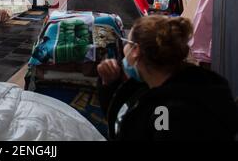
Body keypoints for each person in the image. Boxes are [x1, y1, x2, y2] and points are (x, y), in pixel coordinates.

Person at [97, 16, 238, 141]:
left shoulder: (167, 110)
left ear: (136, 51)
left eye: (127, 42)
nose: (124, 48)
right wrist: (109, 83)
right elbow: (122, 119)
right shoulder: (153, 87)